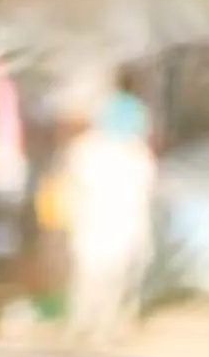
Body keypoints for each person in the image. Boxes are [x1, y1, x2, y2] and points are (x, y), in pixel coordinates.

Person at [60, 87, 158, 343]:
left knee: (90, 278)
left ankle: (85, 325)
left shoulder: (85, 149)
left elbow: (73, 186)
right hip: (118, 227)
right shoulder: (136, 154)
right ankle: (103, 326)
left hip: (95, 226)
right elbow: (147, 192)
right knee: (113, 280)